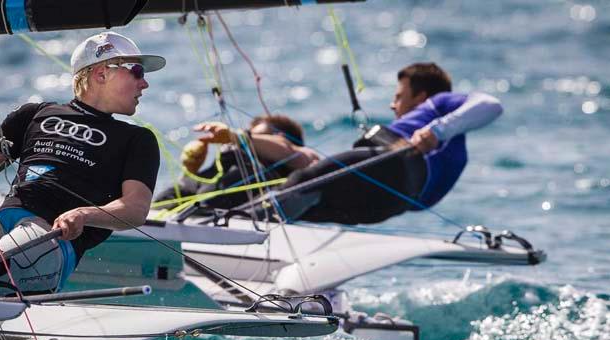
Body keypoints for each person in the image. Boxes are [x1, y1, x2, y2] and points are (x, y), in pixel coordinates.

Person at [0, 31, 165, 294]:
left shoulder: (137, 139)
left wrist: (83, 214)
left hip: (50, 241)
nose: (144, 84)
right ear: (101, 73)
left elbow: (135, 209)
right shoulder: (33, 114)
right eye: (137, 72)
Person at [280, 62, 503, 224]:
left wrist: (437, 131)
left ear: (421, 98)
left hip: (393, 165)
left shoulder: (439, 104)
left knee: (301, 182)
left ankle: (247, 222)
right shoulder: (457, 158)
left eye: (399, 96)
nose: (392, 105)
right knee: (300, 213)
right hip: (386, 207)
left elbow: (491, 104)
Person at [155, 114, 319, 211]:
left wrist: (238, 137)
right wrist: (190, 170)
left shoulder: (295, 154)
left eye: (258, 134)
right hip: (191, 210)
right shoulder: (233, 158)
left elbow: (302, 156)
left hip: (216, 215)